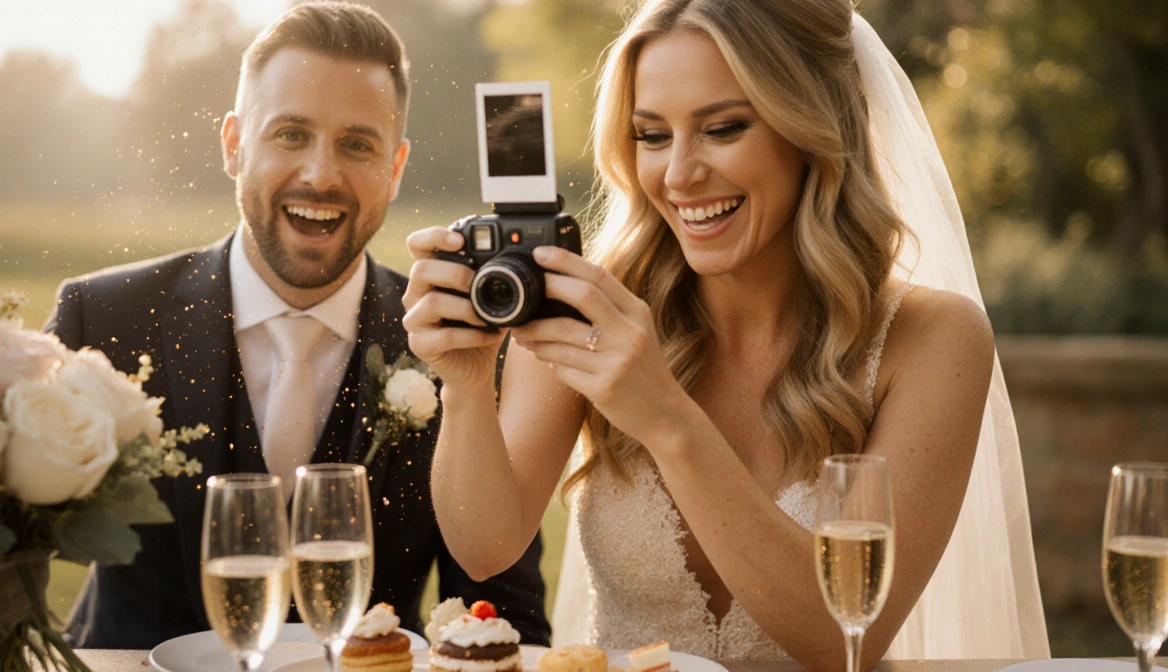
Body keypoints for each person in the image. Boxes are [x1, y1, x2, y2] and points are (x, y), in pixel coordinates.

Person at [405, 0, 1049, 666]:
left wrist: (668, 420)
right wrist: (467, 384)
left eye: (723, 128)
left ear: (814, 126)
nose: (679, 174)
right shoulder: (590, 304)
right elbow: (485, 547)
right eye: (652, 135)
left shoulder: (934, 340)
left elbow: (844, 639)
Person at [46, 2, 549, 650]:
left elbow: (506, 627)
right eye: (290, 134)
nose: (321, 174)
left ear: (394, 170)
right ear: (234, 144)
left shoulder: (463, 350)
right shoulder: (104, 320)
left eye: (357, 144)